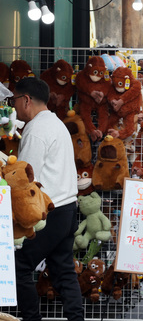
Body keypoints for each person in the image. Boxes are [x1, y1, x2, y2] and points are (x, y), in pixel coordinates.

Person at [13, 77, 85, 321]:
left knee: (19, 266)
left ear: (26, 100)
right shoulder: (55, 122)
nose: (13, 107)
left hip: (49, 212)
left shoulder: (36, 130)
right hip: (67, 209)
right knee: (64, 271)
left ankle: (31, 318)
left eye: (14, 101)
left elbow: (25, 179)